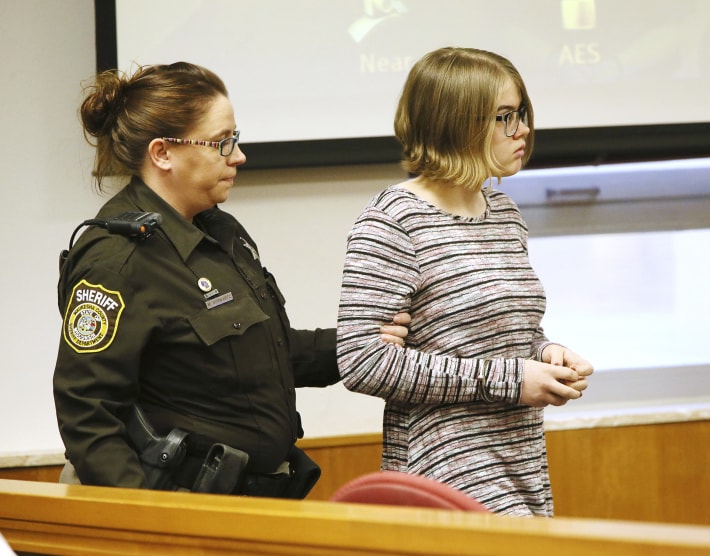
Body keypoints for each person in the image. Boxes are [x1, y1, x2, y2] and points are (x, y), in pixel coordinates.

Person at [53, 61, 409, 498]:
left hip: (257, 498)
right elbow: (88, 413)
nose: (238, 156)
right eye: (222, 143)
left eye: (234, 139)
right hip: (183, 509)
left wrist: (357, 343)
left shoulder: (221, 232)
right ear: (162, 153)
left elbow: (262, 354)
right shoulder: (118, 257)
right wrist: (146, 521)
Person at [336, 47, 594, 516]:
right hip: (442, 473)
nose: (522, 130)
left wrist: (543, 353)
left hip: (520, 461)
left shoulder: (505, 213)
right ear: (455, 124)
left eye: (520, 114)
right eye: (503, 117)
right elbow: (362, 362)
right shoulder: (393, 221)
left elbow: (503, 335)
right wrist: (513, 380)